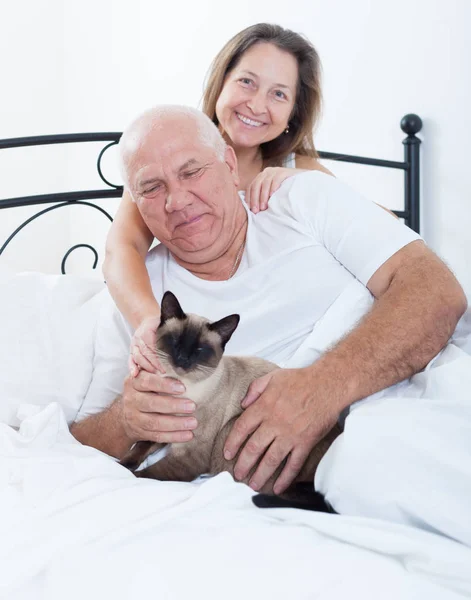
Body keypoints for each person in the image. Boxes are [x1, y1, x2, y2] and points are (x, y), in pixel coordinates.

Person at [71, 105, 467, 500]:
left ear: (229, 163)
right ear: (134, 203)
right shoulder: (138, 298)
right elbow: (76, 444)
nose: (177, 199)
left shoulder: (301, 198)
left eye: (191, 172)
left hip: (419, 408)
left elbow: (437, 292)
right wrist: (127, 420)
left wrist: (320, 389)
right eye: (152, 187)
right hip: (321, 480)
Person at [103, 23, 335, 371]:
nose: (256, 104)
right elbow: (120, 250)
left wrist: (303, 181)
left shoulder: (299, 170)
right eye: (247, 82)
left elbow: (388, 234)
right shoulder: (164, 157)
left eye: (279, 94)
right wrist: (151, 324)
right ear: (221, 82)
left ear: (292, 114)